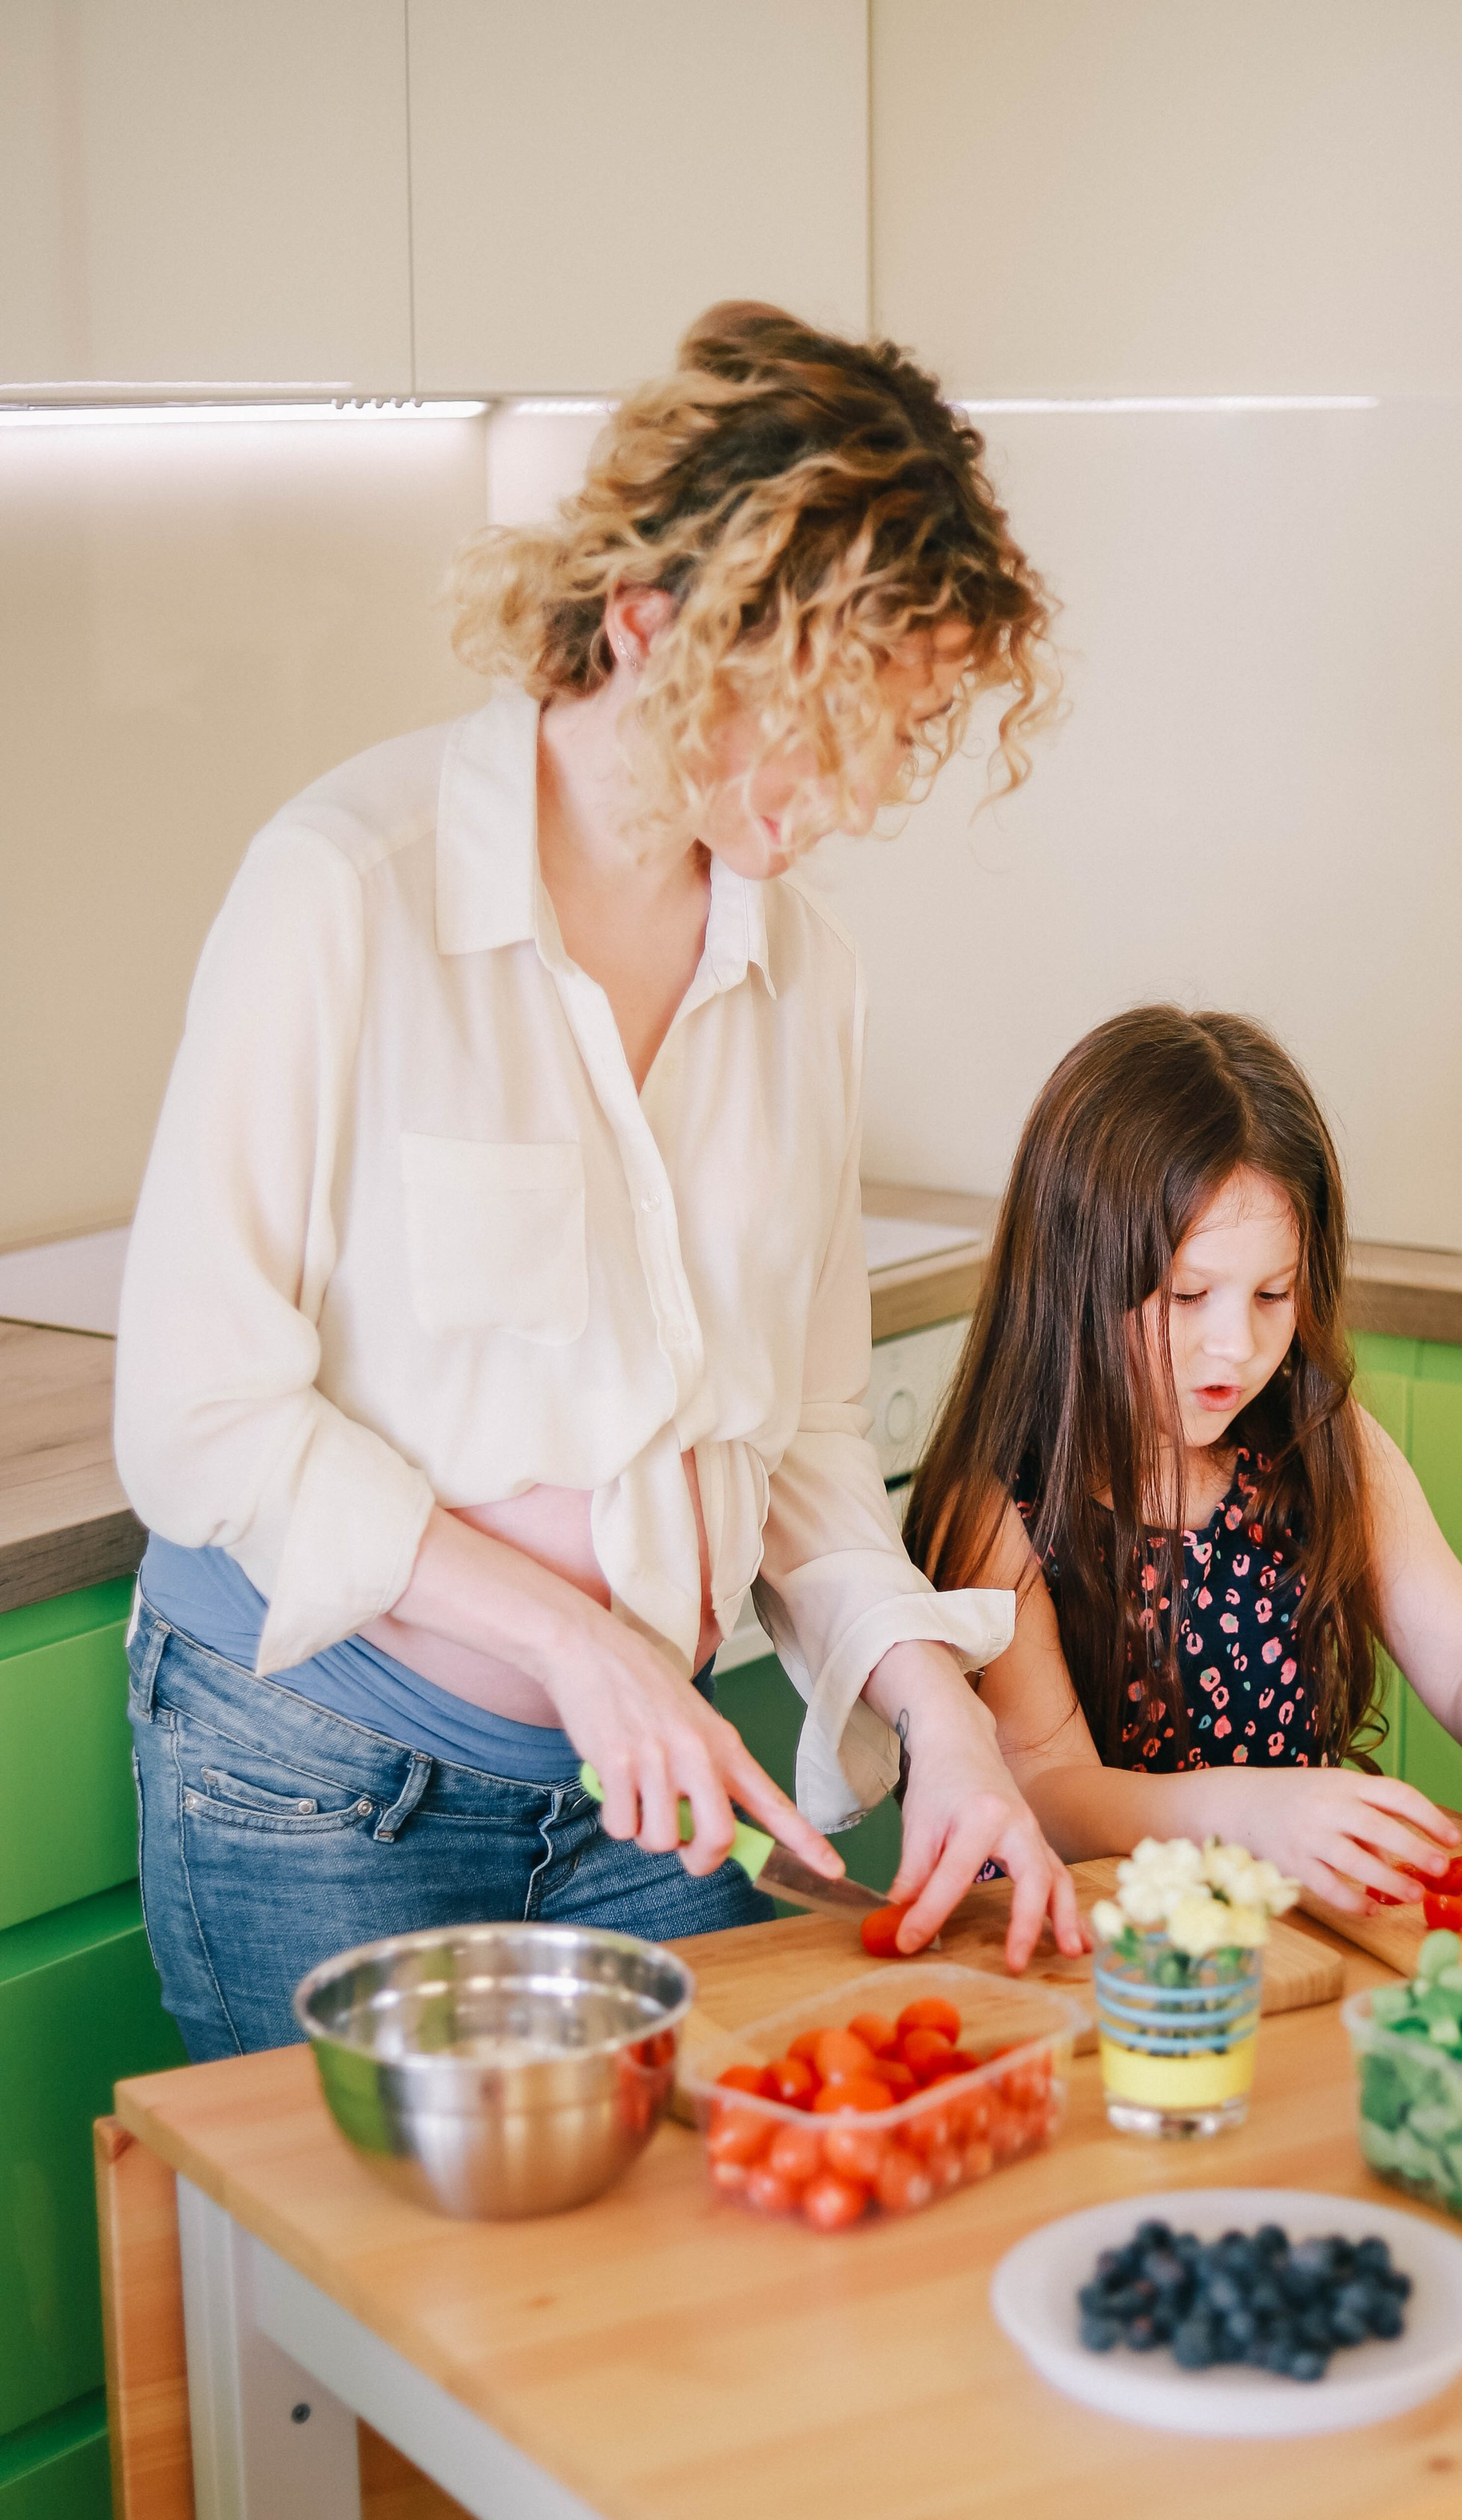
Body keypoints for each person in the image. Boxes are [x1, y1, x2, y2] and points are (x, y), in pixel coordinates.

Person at [117, 303, 1084, 2062]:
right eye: (814, 720)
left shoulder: (805, 975)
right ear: (646, 624)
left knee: (677, 2311)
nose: (856, 790)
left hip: (653, 1789)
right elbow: (191, 1417)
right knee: (357, 2319)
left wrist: (936, 1714)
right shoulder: (347, 891)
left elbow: (794, 1439)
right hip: (329, 1790)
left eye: (889, 728)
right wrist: (577, 1644)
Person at [904, 1006, 1462, 1910]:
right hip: (1061, 1951)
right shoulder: (995, 1506)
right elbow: (1050, 1790)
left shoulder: (1321, 1445)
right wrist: (1244, 1817)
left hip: (1275, 1945)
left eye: (1274, 1293)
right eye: (1187, 1295)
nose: (1234, 1345)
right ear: (1076, 1278)